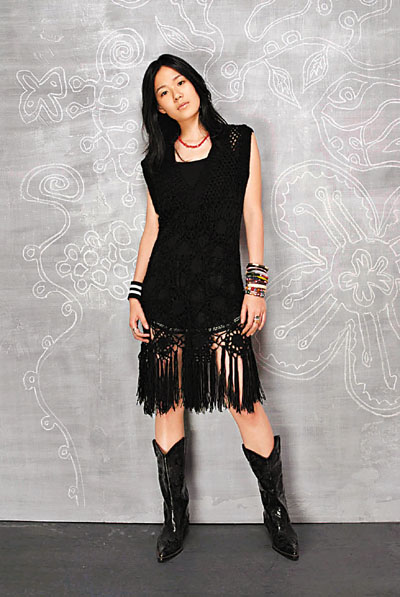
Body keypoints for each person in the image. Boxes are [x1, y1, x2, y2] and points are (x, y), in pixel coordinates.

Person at [127, 53, 299, 563]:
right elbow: (153, 228)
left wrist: (256, 285)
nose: (176, 94)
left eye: (180, 82)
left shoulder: (238, 142)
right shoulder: (156, 163)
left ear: (196, 85)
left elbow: (253, 215)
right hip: (165, 295)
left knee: (244, 404)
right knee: (168, 405)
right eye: (163, 92)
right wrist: (135, 293)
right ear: (158, 108)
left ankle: (276, 514)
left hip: (223, 294)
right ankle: (174, 518)